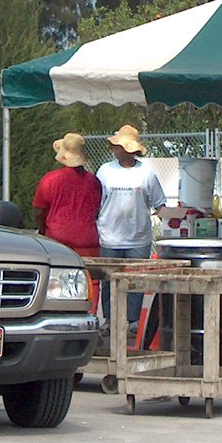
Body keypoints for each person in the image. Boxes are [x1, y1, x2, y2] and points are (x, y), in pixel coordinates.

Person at [95, 125, 166, 336]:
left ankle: (133, 321)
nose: (115, 149)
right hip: (110, 236)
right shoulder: (105, 171)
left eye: (119, 145)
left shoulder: (147, 174)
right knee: (109, 281)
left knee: (135, 281)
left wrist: (175, 220)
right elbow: (97, 202)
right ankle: (109, 319)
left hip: (138, 237)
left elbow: (159, 204)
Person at [31, 133, 102, 258]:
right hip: (87, 242)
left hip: (57, 241)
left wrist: (43, 230)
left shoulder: (50, 180)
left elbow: (39, 212)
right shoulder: (94, 181)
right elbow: (95, 211)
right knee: (89, 276)